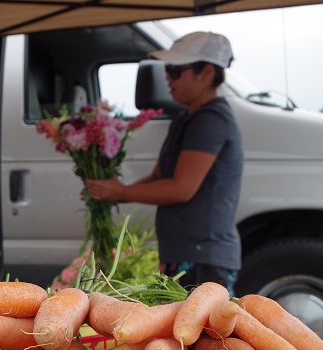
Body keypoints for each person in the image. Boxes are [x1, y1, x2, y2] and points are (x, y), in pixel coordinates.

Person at [85, 31, 243, 294]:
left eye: (175, 70)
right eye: (167, 70)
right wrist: (115, 191)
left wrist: (121, 192)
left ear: (206, 73)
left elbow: (182, 188)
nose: (168, 77)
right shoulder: (186, 119)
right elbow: (160, 177)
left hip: (203, 256)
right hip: (182, 251)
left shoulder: (211, 120)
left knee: (201, 321)